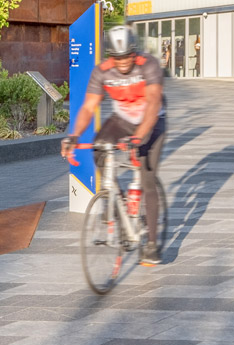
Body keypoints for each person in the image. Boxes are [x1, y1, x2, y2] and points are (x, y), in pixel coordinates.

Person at [61, 24, 167, 265]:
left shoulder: (148, 64)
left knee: (147, 176)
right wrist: (73, 136)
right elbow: (89, 107)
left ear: (134, 52)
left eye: (126, 56)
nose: (121, 62)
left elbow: (152, 105)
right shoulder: (102, 71)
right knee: (99, 147)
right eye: (116, 57)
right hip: (122, 119)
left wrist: (139, 137)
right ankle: (117, 201)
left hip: (151, 122)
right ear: (109, 55)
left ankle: (151, 243)